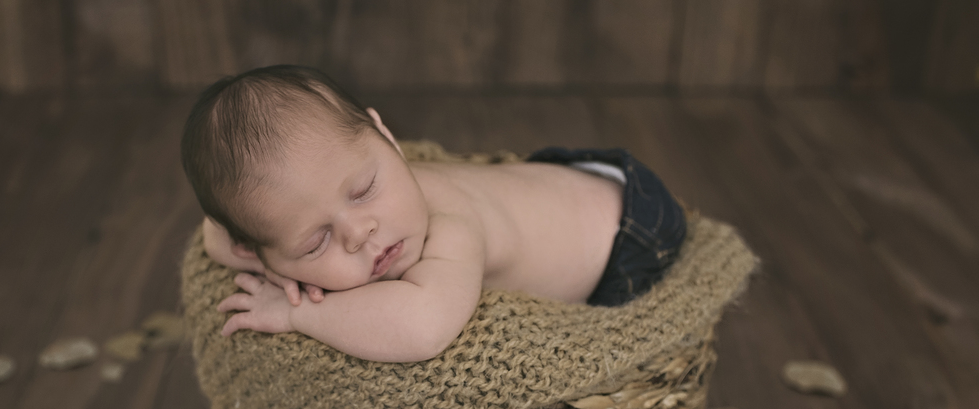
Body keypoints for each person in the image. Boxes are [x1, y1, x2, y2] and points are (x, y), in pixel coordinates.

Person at [181, 65, 686, 363]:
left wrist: (296, 311)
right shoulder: (322, 215)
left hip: (627, 235)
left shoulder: (451, 228)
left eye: (363, 190)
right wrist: (269, 260)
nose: (360, 233)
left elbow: (423, 328)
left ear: (387, 137)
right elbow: (218, 235)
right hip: (564, 186)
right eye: (315, 243)